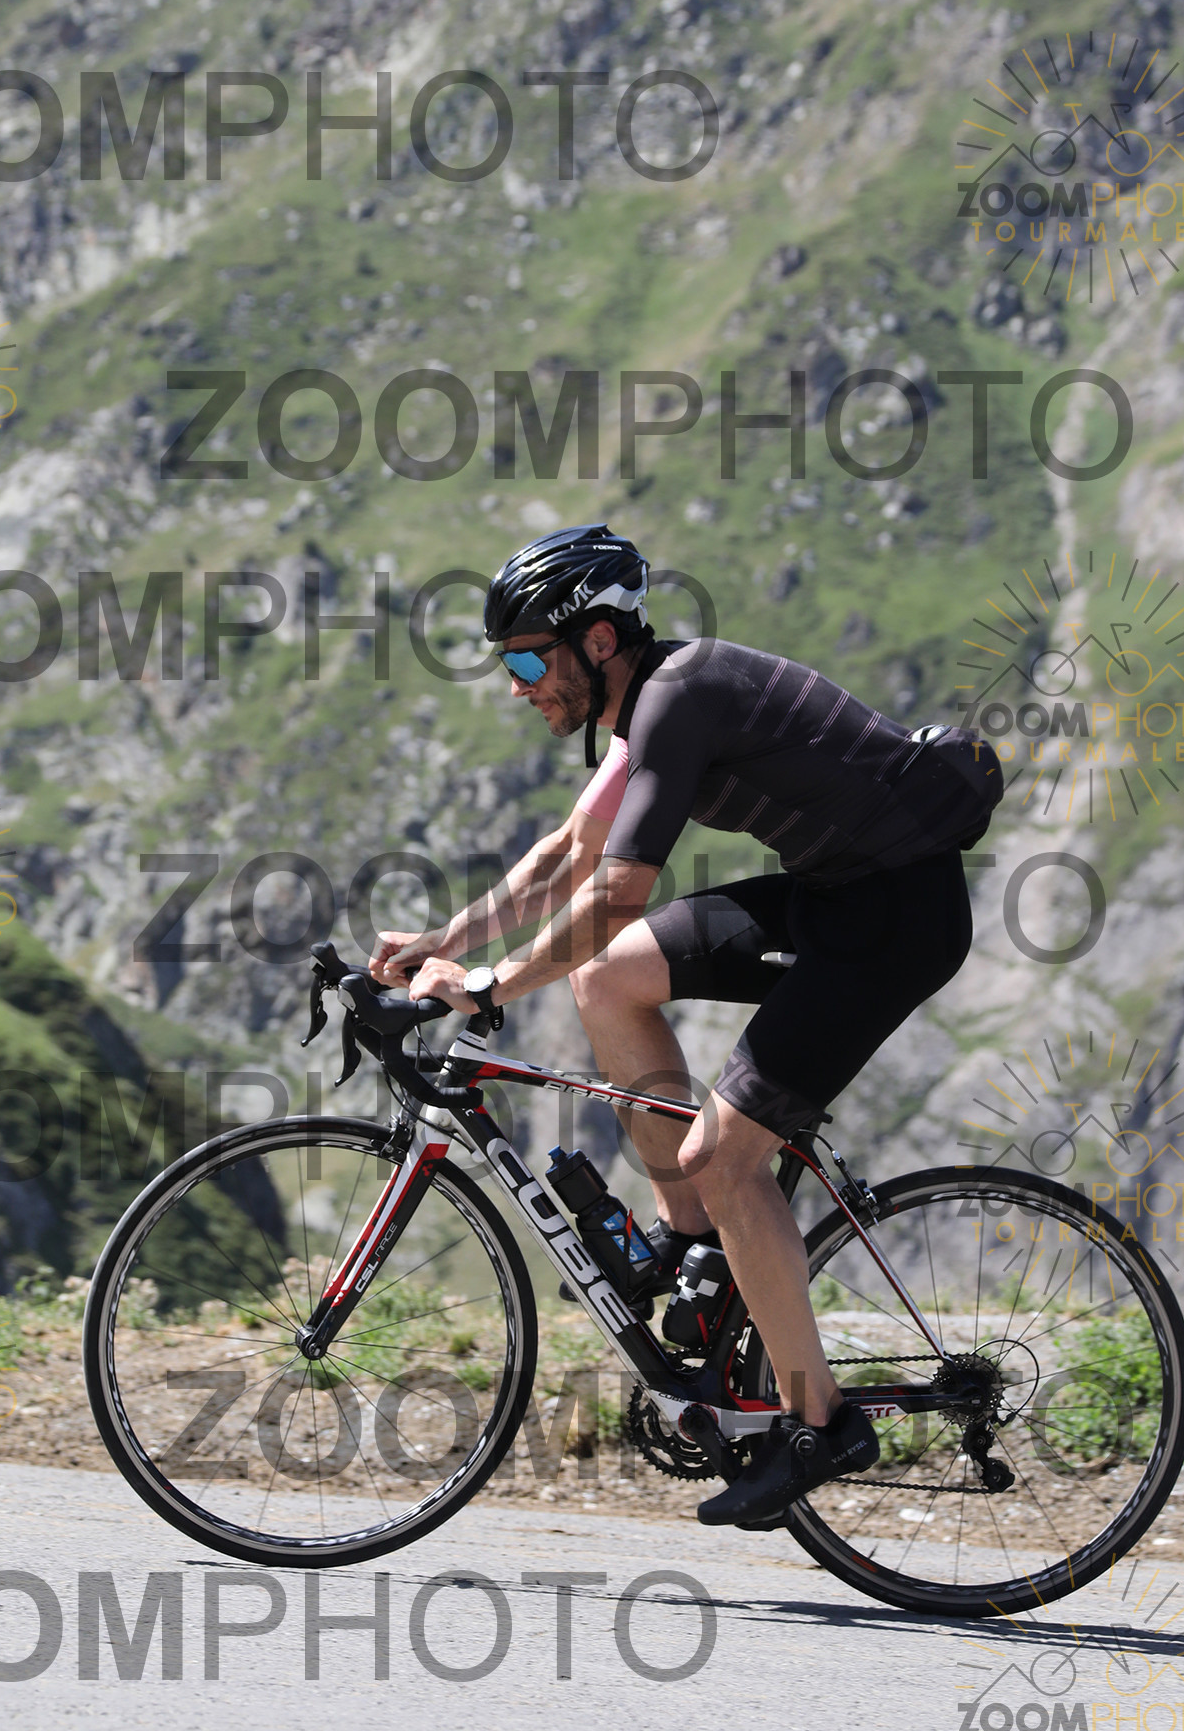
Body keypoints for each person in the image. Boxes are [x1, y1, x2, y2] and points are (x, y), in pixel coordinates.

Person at [372, 524, 1001, 1528]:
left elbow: (616, 892)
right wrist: (441, 940)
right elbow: (565, 856)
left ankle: (819, 1423)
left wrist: (491, 983)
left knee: (725, 1156)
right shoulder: (649, 704)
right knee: (608, 981)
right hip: (836, 895)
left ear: (598, 642)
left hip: (893, 922)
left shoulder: (677, 698)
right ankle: (696, 1246)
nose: (517, 686)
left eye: (527, 661)